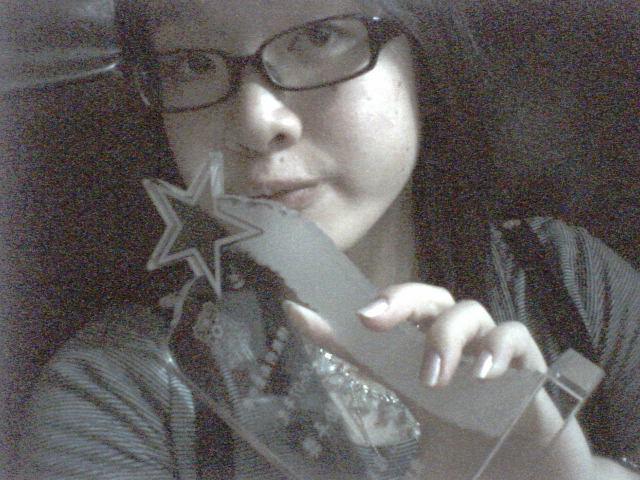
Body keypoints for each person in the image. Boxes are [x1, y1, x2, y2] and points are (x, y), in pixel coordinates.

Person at [15, 0, 640, 479]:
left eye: (319, 35)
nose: (257, 124)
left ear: (423, 59)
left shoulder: (565, 277)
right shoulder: (119, 397)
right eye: (192, 64)